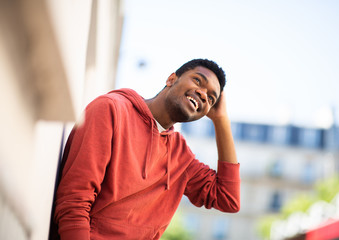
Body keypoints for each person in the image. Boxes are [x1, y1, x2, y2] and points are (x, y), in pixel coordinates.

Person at [54, 58, 240, 240]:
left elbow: (228, 199)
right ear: (171, 79)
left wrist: (221, 120)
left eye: (211, 98)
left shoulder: (182, 157)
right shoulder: (111, 110)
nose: (203, 94)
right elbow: (74, 203)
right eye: (198, 80)